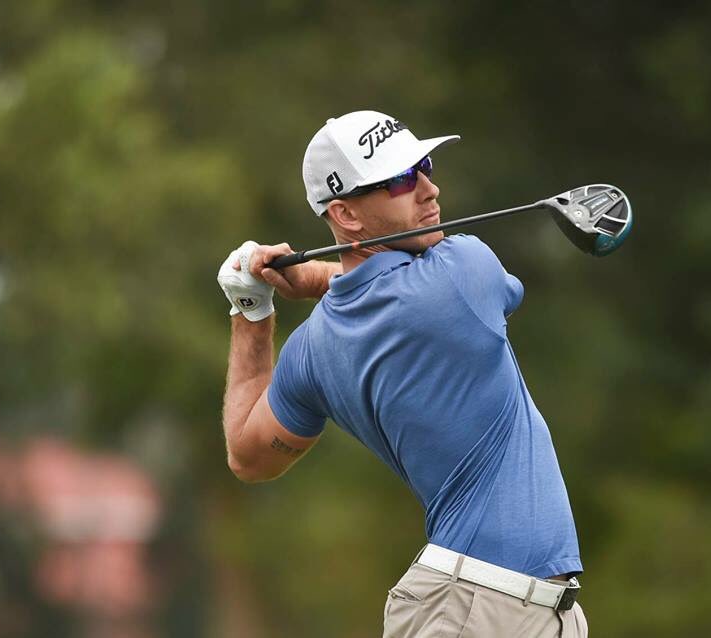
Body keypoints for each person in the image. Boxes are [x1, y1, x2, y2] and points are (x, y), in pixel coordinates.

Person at [217, 110, 588, 638]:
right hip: (475, 609)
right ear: (345, 214)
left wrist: (251, 311)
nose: (430, 190)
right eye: (402, 181)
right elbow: (392, 287)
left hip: (506, 607)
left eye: (425, 166)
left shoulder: (311, 350)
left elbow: (247, 456)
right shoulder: (464, 272)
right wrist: (317, 277)